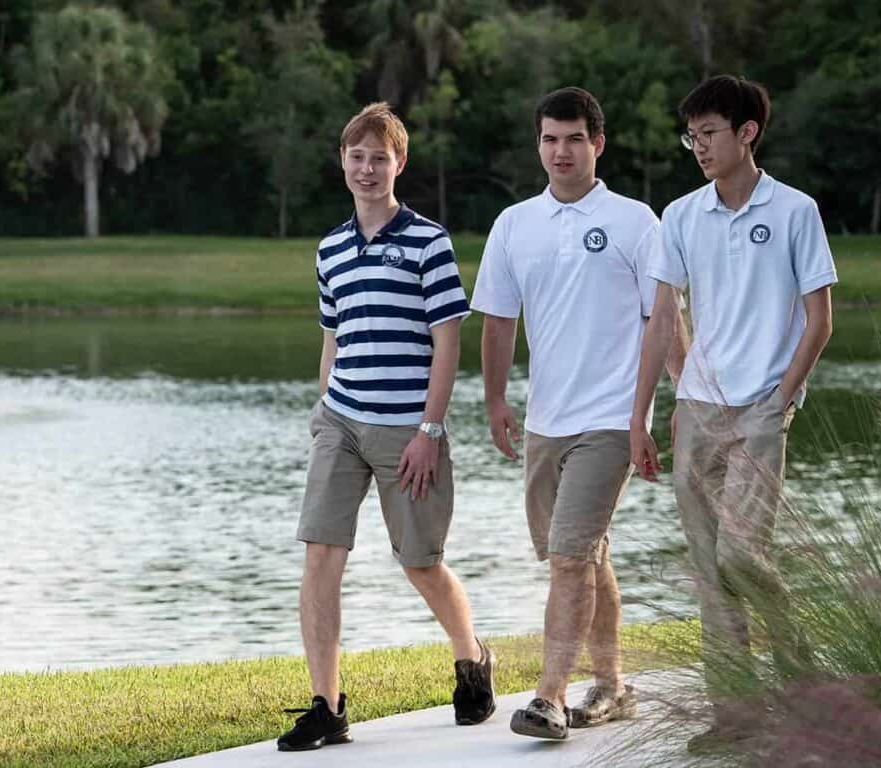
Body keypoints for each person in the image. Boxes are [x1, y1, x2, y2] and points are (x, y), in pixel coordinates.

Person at [277, 102, 496, 752]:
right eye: (357, 156)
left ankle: (471, 658)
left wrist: (431, 429)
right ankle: (327, 705)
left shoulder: (429, 241)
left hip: (409, 431)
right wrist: (324, 414)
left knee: (422, 562)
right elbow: (332, 338)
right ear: (342, 162)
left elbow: (448, 343)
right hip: (341, 422)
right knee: (321, 555)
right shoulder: (331, 247)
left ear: (399, 164)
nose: (367, 168)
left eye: (380, 157)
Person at [630, 74, 836, 752]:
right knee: (710, 570)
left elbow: (819, 319)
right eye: (691, 135)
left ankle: (801, 669)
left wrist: (782, 398)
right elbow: (663, 317)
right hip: (697, 409)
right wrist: (644, 416)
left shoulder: (795, 211)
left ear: (746, 133)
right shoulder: (683, 215)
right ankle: (738, 716)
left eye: (709, 133)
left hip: (762, 410)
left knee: (741, 555)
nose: (698, 146)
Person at [473, 87, 675, 741]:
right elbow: (499, 320)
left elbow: (666, 321)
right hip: (544, 420)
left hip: (611, 418)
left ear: (598, 144)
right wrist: (498, 398)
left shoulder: (635, 221)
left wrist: (684, 403)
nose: (561, 151)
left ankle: (550, 698)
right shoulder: (514, 225)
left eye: (574, 139)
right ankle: (614, 685)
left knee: (568, 559)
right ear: (539, 145)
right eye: (550, 139)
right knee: (584, 557)